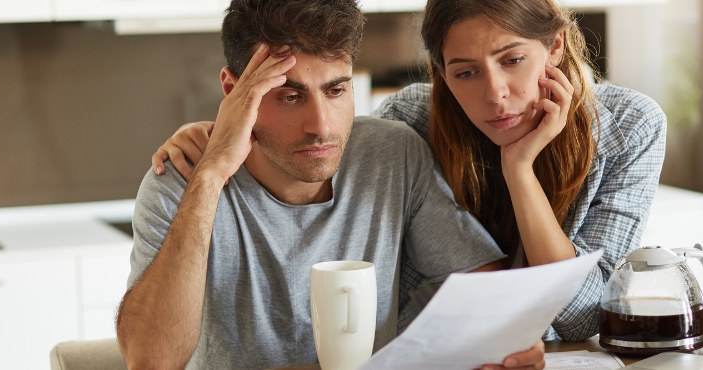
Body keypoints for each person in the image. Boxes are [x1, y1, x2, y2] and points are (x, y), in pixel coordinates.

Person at [150, 0, 666, 342]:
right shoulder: (413, 121)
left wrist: (519, 169)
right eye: (464, 72)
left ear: (553, 46)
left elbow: (579, 317)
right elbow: (321, 146)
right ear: (440, 71)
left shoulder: (629, 128)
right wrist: (228, 131)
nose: (494, 94)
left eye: (512, 60)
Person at [116, 1, 546, 369]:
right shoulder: (181, 180)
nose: (321, 126)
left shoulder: (393, 155)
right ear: (233, 91)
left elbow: (482, 291)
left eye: (336, 90)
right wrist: (210, 177)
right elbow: (151, 360)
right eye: (289, 95)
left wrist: (506, 336)